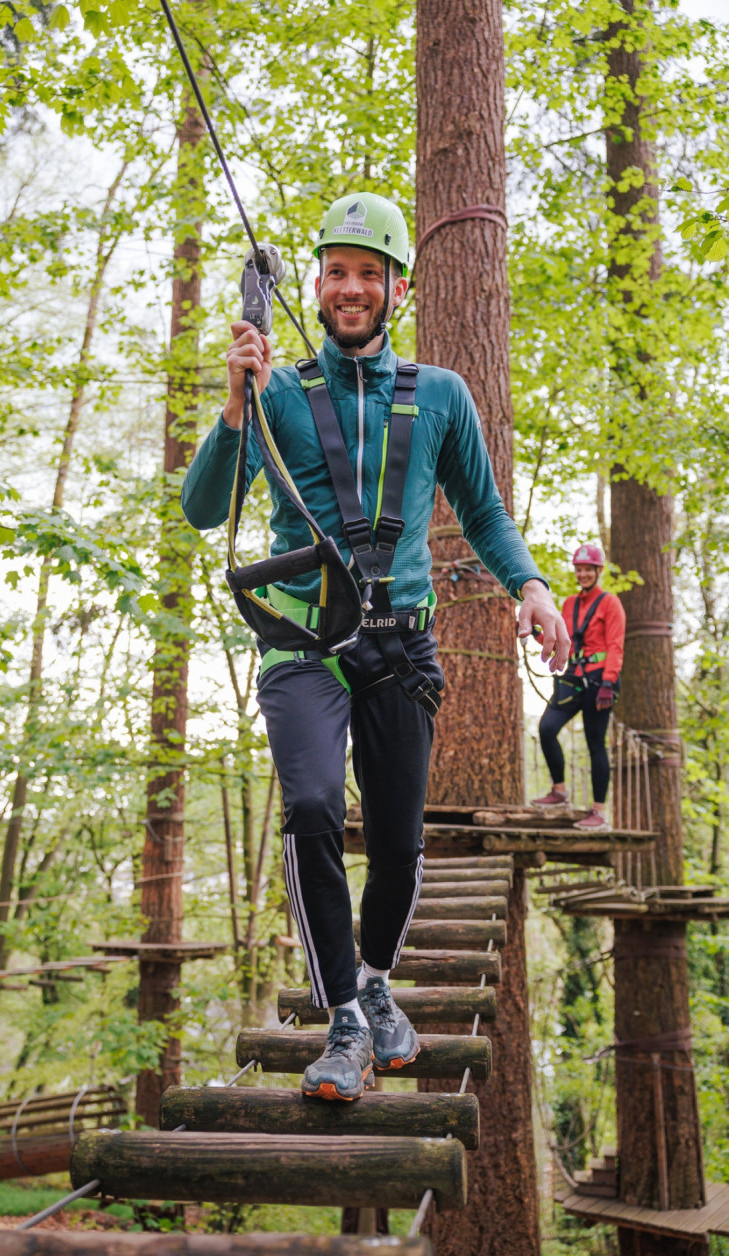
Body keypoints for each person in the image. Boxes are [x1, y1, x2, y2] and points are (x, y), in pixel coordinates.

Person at [182, 192, 568, 1101]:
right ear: (316, 286)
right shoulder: (277, 392)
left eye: (367, 274)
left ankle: (375, 981)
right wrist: (235, 407)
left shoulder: (440, 396)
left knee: (396, 842)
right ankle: (344, 1018)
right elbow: (202, 509)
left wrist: (530, 586)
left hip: (400, 647)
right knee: (314, 806)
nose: (349, 289)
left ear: (398, 289)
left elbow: (482, 511)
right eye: (335, 273)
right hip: (303, 645)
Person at [531, 544, 626, 831]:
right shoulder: (570, 603)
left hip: (600, 681)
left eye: (588, 569)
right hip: (573, 678)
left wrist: (608, 682)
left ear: (598, 571)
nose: (583, 574)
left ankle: (599, 812)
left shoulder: (610, 603)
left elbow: (615, 645)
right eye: (579, 569)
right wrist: (536, 632)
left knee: (595, 743)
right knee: (547, 728)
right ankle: (559, 792)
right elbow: (564, 639)